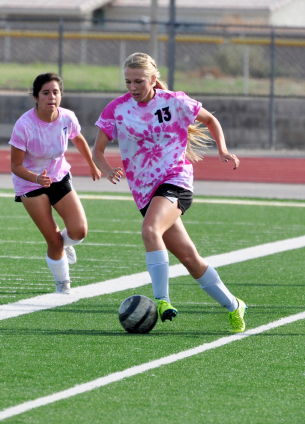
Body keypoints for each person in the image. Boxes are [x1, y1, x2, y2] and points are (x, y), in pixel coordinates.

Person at [92, 52, 247, 332]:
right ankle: (234, 305)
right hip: (144, 192)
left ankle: (162, 300)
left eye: (139, 81)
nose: (132, 87)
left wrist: (222, 150)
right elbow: (97, 151)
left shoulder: (174, 101)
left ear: (153, 79)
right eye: (128, 82)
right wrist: (106, 169)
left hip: (176, 181)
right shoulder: (116, 108)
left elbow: (210, 120)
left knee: (150, 230)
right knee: (189, 258)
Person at [9, 72, 101, 294]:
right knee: (54, 241)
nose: (51, 97)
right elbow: (16, 166)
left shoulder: (67, 117)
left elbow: (78, 139)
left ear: (61, 95)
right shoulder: (24, 125)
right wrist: (36, 178)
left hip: (59, 177)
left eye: (55, 92)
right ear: (36, 97)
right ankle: (63, 285)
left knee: (79, 231)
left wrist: (92, 164)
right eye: (45, 93)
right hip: (30, 183)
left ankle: (65, 244)